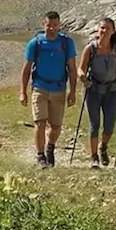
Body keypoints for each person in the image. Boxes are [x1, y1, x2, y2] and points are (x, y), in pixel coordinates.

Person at [19, 11, 77, 168]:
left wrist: (72, 91)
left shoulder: (66, 43)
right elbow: (26, 68)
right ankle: (40, 156)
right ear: (43, 24)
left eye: (55, 25)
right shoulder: (35, 43)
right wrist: (23, 91)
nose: (52, 28)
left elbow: (72, 69)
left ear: (59, 25)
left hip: (59, 89)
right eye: (48, 25)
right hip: (40, 87)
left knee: (56, 127)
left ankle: (50, 146)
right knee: (40, 122)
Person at [78, 17, 116, 167]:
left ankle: (103, 147)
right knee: (94, 124)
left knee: (109, 124)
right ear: (97, 29)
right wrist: (83, 78)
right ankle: (94, 156)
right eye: (102, 28)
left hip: (111, 90)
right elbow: (80, 68)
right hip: (92, 90)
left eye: (108, 28)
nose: (104, 31)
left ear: (113, 31)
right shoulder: (90, 48)